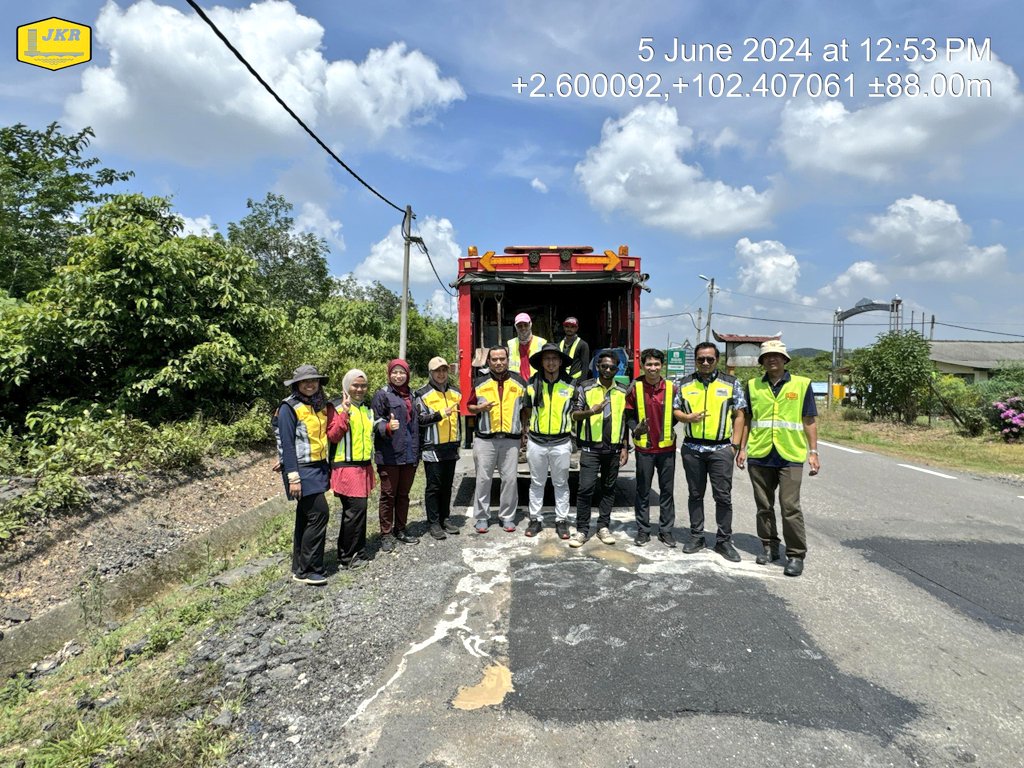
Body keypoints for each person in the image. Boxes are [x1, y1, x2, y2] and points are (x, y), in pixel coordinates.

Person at [736, 339, 820, 577]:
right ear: (762, 361)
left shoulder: (802, 385)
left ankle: (795, 555)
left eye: (776, 355)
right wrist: (742, 448)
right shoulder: (752, 386)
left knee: (790, 507)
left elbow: (809, 420)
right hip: (760, 454)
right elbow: (748, 419)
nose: (772, 359)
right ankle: (769, 546)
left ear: (785, 359)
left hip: (790, 455)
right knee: (764, 506)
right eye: (767, 356)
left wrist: (813, 452)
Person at [673, 342, 746, 562]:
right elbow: (675, 409)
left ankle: (724, 541)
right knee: (695, 494)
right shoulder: (683, 383)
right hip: (693, 448)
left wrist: (734, 445)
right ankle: (697, 536)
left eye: (710, 359)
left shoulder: (731, 383)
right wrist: (686, 418)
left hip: (721, 449)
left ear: (717, 360)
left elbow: (740, 414)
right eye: (701, 359)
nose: (705, 363)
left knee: (723, 496)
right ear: (695, 360)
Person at [275, 364, 333, 585]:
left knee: (305, 517)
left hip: (318, 466)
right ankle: (310, 569)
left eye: (314, 381)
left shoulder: (317, 405)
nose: (310, 384)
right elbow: (287, 444)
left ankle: (298, 567)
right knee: (320, 514)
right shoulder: (289, 408)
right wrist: (293, 477)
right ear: (297, 385)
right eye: (305, 381)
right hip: (301, 470)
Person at [569, 350, 629, 547]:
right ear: (597, 367)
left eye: (612, 367)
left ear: (617, 369)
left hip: (613, 449)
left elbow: (625, 420)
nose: (608, 370)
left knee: (609, 489)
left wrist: (625, 447)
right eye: (604, 366)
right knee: (585, 489)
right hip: (590, 449)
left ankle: (603, 526)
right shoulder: (584, 388)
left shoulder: (623, 390)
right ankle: (582, 530)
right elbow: (574, 415)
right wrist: (590, 411)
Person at [466, 346, 529, 533]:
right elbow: (469, 406)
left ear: (508, 360)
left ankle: (508, 516)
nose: (499, 362)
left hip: (511, 439)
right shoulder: (479, 382)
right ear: (489, 361)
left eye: (502, 358)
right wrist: (480, 408)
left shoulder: (519, 382)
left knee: (509, 479)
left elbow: (525, 410)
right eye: (494, 359)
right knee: (483, 479)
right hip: (485, 439)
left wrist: (524, 432)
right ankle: (482, 517)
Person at [625, 348, 678, 548]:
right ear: (642, 366)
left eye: (656, 364)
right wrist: (635, 429)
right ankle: (643, 530)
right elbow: (628, 416)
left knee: (667, 491)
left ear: (661, 365)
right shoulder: (635, 388)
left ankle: (666, 531)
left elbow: (678, 414)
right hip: (644, 450)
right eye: (649, 364)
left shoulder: (673, 388)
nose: (653, 368)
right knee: (643, 491)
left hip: (667, 449)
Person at [521, 343, 574, 539]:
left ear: (560, 362)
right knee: (537, 482)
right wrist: (525, 434)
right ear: (541, 362)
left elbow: (576, 410)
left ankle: (561, 521)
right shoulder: (532, 383)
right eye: (546, 359)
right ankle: (536, 519)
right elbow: (526, 410)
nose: (550, 363)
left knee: (561, 483)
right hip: (537, 441)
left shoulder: (571, 384)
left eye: (554, 359)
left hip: (561, 443)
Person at [326, 369, 375, 570]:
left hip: (363, 467)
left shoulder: (366, 409)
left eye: (363, 385)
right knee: (354, 511)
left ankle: (358, 551)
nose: (359, 389)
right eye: (355, 385)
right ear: (347, 386)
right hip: (346, 468)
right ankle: (348, 556)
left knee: (358, 511)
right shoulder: (336, 407)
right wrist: (345, 412)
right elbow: (333, 435)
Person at [371, 359, 421, 553]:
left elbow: (417, 423)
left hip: (409, 453)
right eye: (395, 372)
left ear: (407, 374)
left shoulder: (413, 394)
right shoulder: (382, 395)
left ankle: (401, 529)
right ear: (389, 374)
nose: (398, 376)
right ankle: (386, 534)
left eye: (402, 372)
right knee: (388, 495)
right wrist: (387, 427)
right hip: (390, 454)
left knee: (403, 495)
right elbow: (375, 422)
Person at [415, 356, 462, 540]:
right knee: (434, 487)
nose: (441, 374)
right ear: (431, 373)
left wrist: (459, 441)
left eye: (443, 370)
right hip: (432, 447)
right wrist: (441, 414)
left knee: (447, 486)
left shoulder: (456, 393)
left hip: (451, 446)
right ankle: (433, 523)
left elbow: (458, 420)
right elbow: (420, 420)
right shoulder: (422, 394)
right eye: (437, 371)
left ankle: (445, 518)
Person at [507, 312, 546, 380]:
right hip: (516, 382)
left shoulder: (542, 342)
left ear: (530, 325)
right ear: (516, 327)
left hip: (536, 381)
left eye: (525, 325)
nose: (523, 328)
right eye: (520, 326)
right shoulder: (511, 343)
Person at [559, 316, 591, 382]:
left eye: (572, 327)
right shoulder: (559, 344)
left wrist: (581, 383)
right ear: (564, 328)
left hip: (576, 381)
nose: (569, 329)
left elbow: (585, 367)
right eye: (567, 326)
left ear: (577, 328)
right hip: (561, 380)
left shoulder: (583, 345)